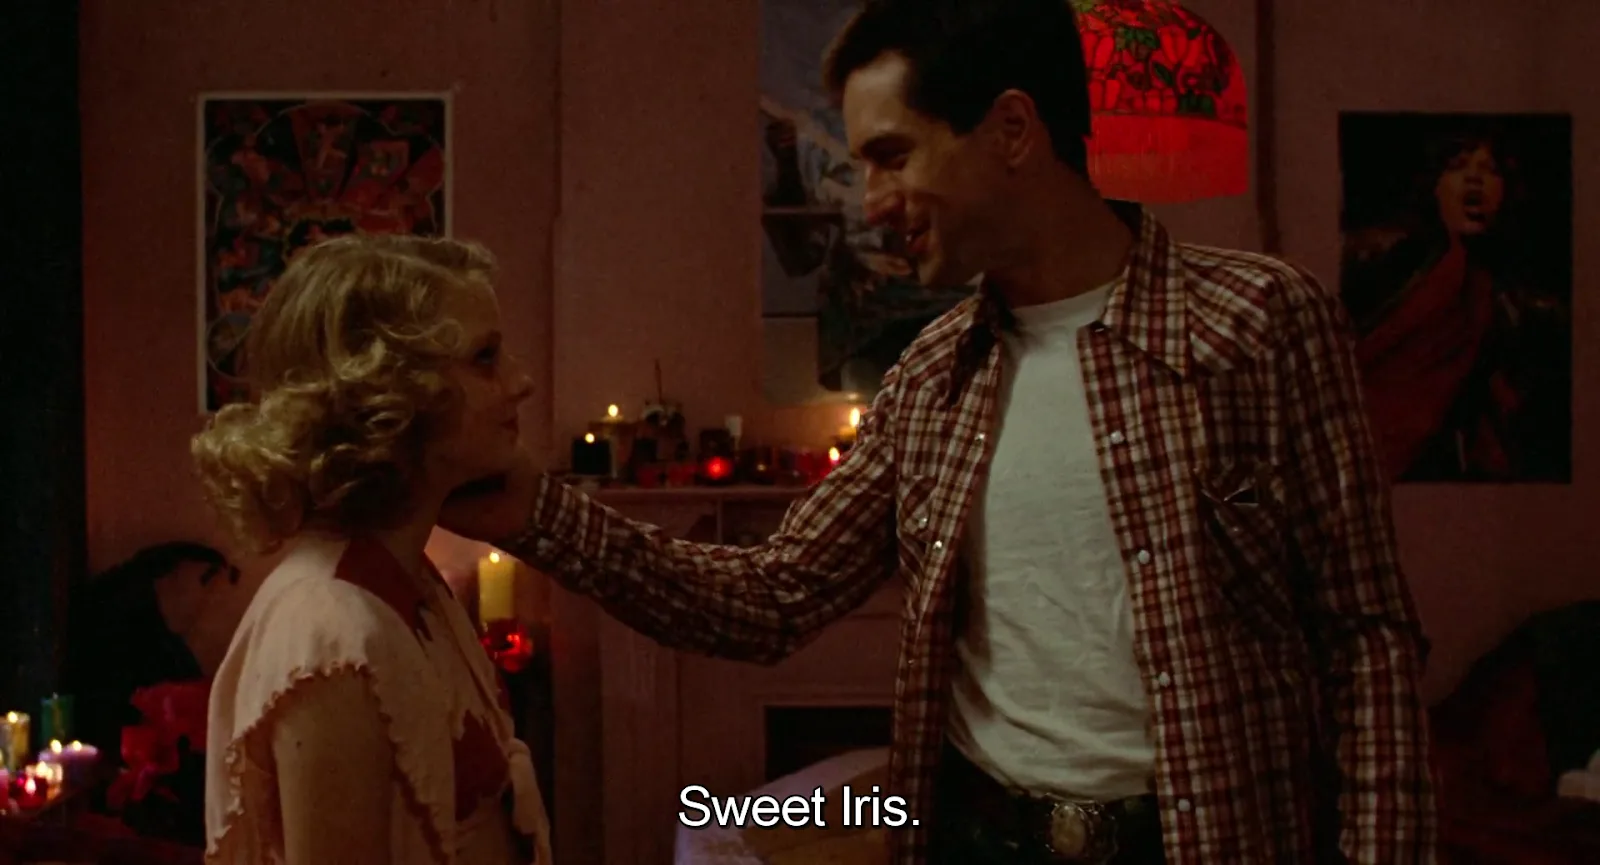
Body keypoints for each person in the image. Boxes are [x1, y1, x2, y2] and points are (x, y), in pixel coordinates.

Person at [442, 1, 1436, 863]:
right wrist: (536, 511)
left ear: (1011, 130)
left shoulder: (1260, 322)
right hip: (980, 837)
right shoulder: (931, 378)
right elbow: (770, 597)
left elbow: (1367, 641)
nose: (868, 203)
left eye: (891, 155)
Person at [193, 234, 551, 865]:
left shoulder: (408, 579)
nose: (520, 382)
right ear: (390, 393)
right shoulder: (329, 632)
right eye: (486, 358)